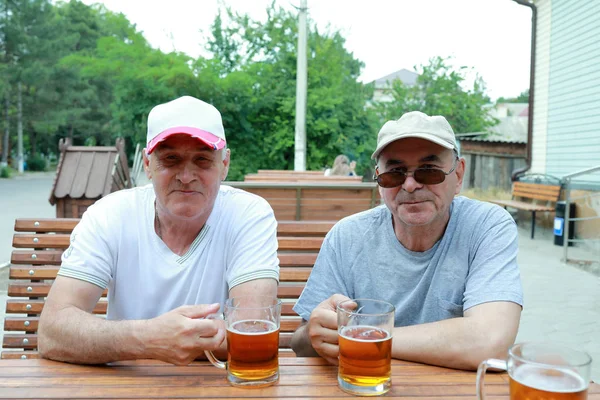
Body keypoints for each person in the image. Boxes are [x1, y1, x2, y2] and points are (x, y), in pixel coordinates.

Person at [38, 96, 279, 365]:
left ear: (225, 164)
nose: (186, 176)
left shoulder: (248, 214)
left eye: (202, 160)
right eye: (171, 159)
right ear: (147, 164)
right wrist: (151, 338)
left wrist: (139, 340)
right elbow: (52, 331)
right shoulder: (109, 215)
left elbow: (251, 331)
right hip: (125, 388)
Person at [291, 111, 522, 370]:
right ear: (379, 180)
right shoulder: (347, 236)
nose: (410, 185)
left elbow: (491, 343)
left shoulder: (487, 226)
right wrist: (318, 332)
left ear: (458, 175)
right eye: (395, 173)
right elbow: (300, 344)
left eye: (429, 171)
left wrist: (360, 336)